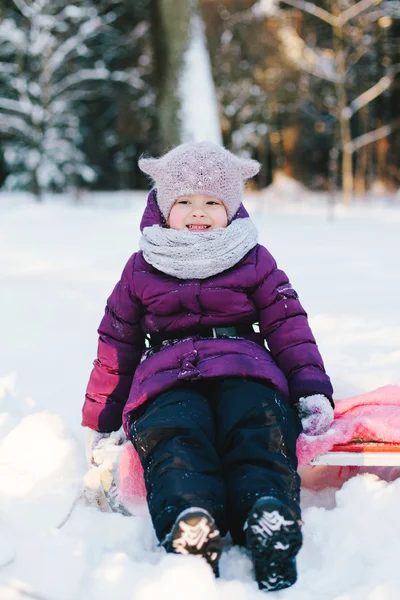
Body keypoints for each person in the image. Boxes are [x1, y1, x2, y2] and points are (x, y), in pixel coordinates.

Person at [82, 141, 334, 591]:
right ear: (164, 207)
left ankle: (268, 514)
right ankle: (189, 520)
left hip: (245, 368)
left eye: (212, 201)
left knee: (259, 427)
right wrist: (101, 421)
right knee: (175, 434)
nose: (198, 212)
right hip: (165, 378)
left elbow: (288, 326)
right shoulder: (142, 267)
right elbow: (116, 343)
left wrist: (309, 389)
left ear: (231, 207)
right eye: (184, 201)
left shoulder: (254, 258)